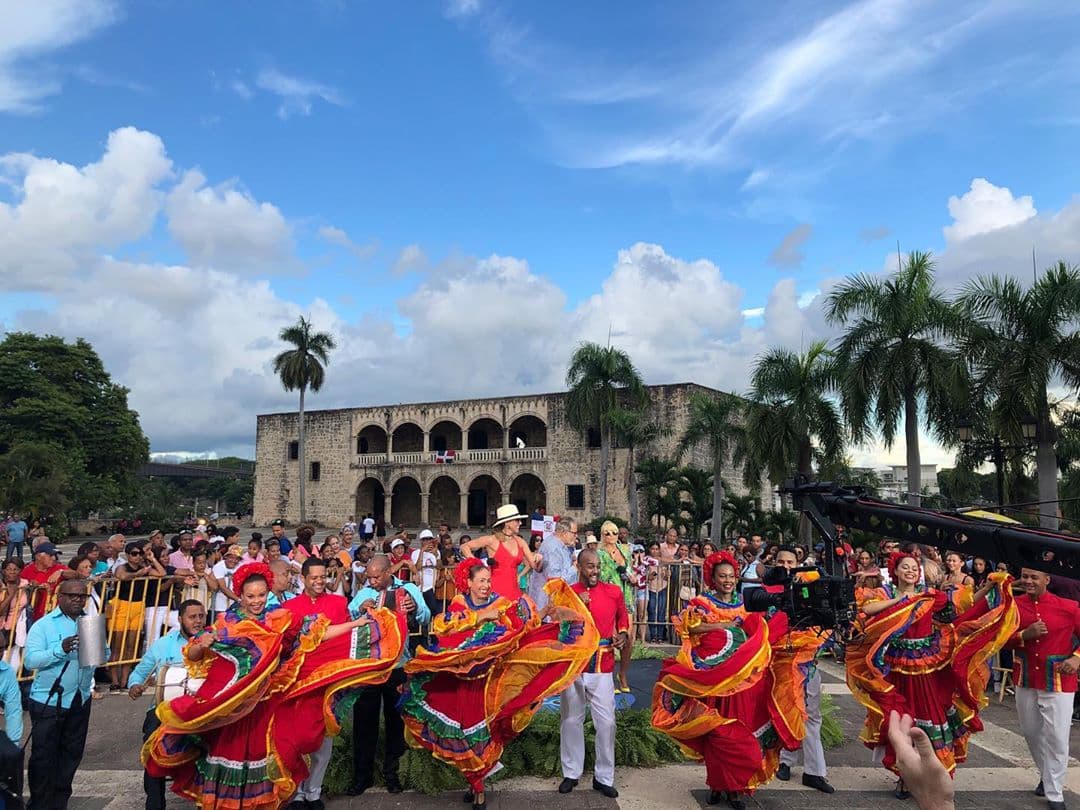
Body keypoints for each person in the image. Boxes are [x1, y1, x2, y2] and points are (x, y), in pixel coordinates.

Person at [145, 562, 405, 809]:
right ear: (241, 595)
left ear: (268, 592)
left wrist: (356, 624)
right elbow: (192, 654)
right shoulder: (227, 623)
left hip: (266, 705)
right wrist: (202, 645)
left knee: (271, 757)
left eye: (261, 594)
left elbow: (316, 633)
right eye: (250, 596)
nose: (257, 601)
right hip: (234, 707)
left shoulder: (278, 618)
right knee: (231, 758)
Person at [400, 559, 596, 810]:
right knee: (462, 733)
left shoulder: (502, 604)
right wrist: (482, 616)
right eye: (480, 581)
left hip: (488, 685)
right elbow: (444, 628)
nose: (485, 586)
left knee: (481, 733)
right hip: (460, 683)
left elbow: (523, 625)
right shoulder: (460, 603)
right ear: (468, 583)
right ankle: (474, 783)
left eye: (488, 581)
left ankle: (478, 787)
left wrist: (546, 611)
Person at [847, 551, 1018, 798]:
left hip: (926, 664)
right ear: (894, 571)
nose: (910, 571)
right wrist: (903, 600)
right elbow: (868, 609)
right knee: (900, 717)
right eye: (905, 567)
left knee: (930, 714)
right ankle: (905, 777)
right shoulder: (885, 593)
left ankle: (936, 774)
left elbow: (964, 603)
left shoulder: (929, 596)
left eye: (914, 568)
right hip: (896, 667)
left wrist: (991, 584)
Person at [650, 551, 801, 809]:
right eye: (722, 576)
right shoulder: (702, 602)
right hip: (713, 680)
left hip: (744, 683)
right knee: (717, 733)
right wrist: (726, 627)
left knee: (741, 730)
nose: (728, 581)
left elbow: (762, 624)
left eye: (731, 576)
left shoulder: (746, 602)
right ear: (712, 578)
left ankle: (735, 789)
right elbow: (692, 627)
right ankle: (717, 784)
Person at [345, 554, 431, 796]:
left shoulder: (408, 588)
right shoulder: (364, 592)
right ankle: (362, 777)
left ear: (388, 571)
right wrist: (360, 610)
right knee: (364, 723)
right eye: (369, 577)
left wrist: (415, 610)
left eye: (376, 576)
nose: (371, 581)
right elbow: (350, 614)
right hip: (370, 667)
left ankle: (393, 775)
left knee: (396, 722)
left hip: (398, 665)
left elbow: (425, 616)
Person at [25, 578, 106, 808]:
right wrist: (59, 649)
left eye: (82, 596)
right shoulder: (44, 625)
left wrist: (100, 648)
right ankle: (39, 804)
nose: (78, 600)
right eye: (72, 595)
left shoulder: (89, 623)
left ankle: (59, 803)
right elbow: (31, 660)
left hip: (80, 699)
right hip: (49, 700)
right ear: (60, 597)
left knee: (71, 755)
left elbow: (104, 656)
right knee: (43, 757)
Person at [1005, 567, 1080, 810]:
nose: (1028, 581)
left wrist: (1077, 658)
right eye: (1025, 576)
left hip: (1059, 679)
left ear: (1047, 579)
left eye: (1034, 577)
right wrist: (1024, 635)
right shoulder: (1013, 605)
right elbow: (999, 638)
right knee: (1030, 731)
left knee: (1057, 737)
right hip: (1026, 677)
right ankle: (1047, 775)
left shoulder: (1068, 606)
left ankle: (1055, 792)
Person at [281, 559, 352, 809]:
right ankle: (297, 791)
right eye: (314, 578)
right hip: (297, 683)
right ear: (303, 578)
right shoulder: (289, 607)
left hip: (327, 682)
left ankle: (313, 792)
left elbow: (348, 638)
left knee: (323, 739)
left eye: (323, 577)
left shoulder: (338, 603)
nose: (320, 581)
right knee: (296, 739)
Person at [559, 548, 627, 800]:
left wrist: (623, 634)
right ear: (579, 566)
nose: (595, 571)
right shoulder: (569, 594)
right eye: (589, 566)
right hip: (575, 667)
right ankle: (571, 772)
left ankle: (604, 777)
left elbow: (623, 620)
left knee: (607, 723)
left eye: (597, 566)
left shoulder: (614, 591)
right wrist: (576, 612)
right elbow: (559, 629)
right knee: (570, 721)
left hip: (603, 666)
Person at [128, 599, 207, 810]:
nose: (198, 621)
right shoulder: (163, 644)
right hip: (164, 709)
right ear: (180, 619)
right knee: (153, 746)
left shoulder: (212, 641)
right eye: (192, 617)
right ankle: (154, 803)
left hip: (200, 710)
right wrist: (135, 685)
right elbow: (139, 672)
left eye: (201, 616)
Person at [773, 546, 834, 794]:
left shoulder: (811, 589)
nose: (786, 566)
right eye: (781, 561)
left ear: (798, 563)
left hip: (807, 666)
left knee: (811, 715)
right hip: (778, 665)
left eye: (790, 561)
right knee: (783, 713)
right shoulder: (770, 590)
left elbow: (825, 623)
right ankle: (785, 761)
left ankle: (814, 771)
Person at [459, 505, 543, 600]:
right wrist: (478, 566)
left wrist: (539, 559)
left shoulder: (520, 541)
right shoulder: (492, 540)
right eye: (517, 520)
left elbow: (535, 567)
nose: (520, 523)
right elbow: (464, 546)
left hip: (514, 591)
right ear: (507, 523)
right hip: (495, 592)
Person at [596, 521, 635, 694]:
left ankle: (623, 674)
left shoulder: (625, 550)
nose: (611, 536)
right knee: (611, 639)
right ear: (602, 535)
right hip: (609, 599)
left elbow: (631, 570)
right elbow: (600, 576)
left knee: (628, 639)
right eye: (607, 533)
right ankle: (609, 677)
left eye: (614, 533)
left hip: (626, 597)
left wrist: (633, 578)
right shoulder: (598, 553)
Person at [528, 516, 579, 610]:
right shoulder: (552, 548)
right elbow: (555, 580)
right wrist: (574, 568)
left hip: (555, 605)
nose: (576, 536)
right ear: (564, 532)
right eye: (574, 533)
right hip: (548, 608)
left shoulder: (562, 545)